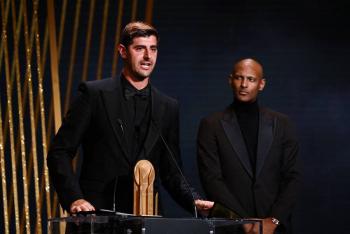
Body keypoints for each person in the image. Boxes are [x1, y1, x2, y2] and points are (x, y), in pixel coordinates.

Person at [47, 21, 213, 216]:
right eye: (140, 48)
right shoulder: (94, 94)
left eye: (153, 49)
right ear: (123, 51)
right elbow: (60, 152)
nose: (147, 57)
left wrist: (192, 200)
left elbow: (171, 171)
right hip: (96, 215)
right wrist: (75, 198)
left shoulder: (168, 106)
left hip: (146, 217)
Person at [197, 58, 301, 234]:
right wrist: (242, 221)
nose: (244, 84)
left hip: (275, 228)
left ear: (261, 84)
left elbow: (293, 177)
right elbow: (212, 180)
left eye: (251, 79)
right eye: (239, 78)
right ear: (230, 80)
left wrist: (273, 220)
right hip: (231, 228)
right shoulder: (211, 125)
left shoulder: (282, 124)